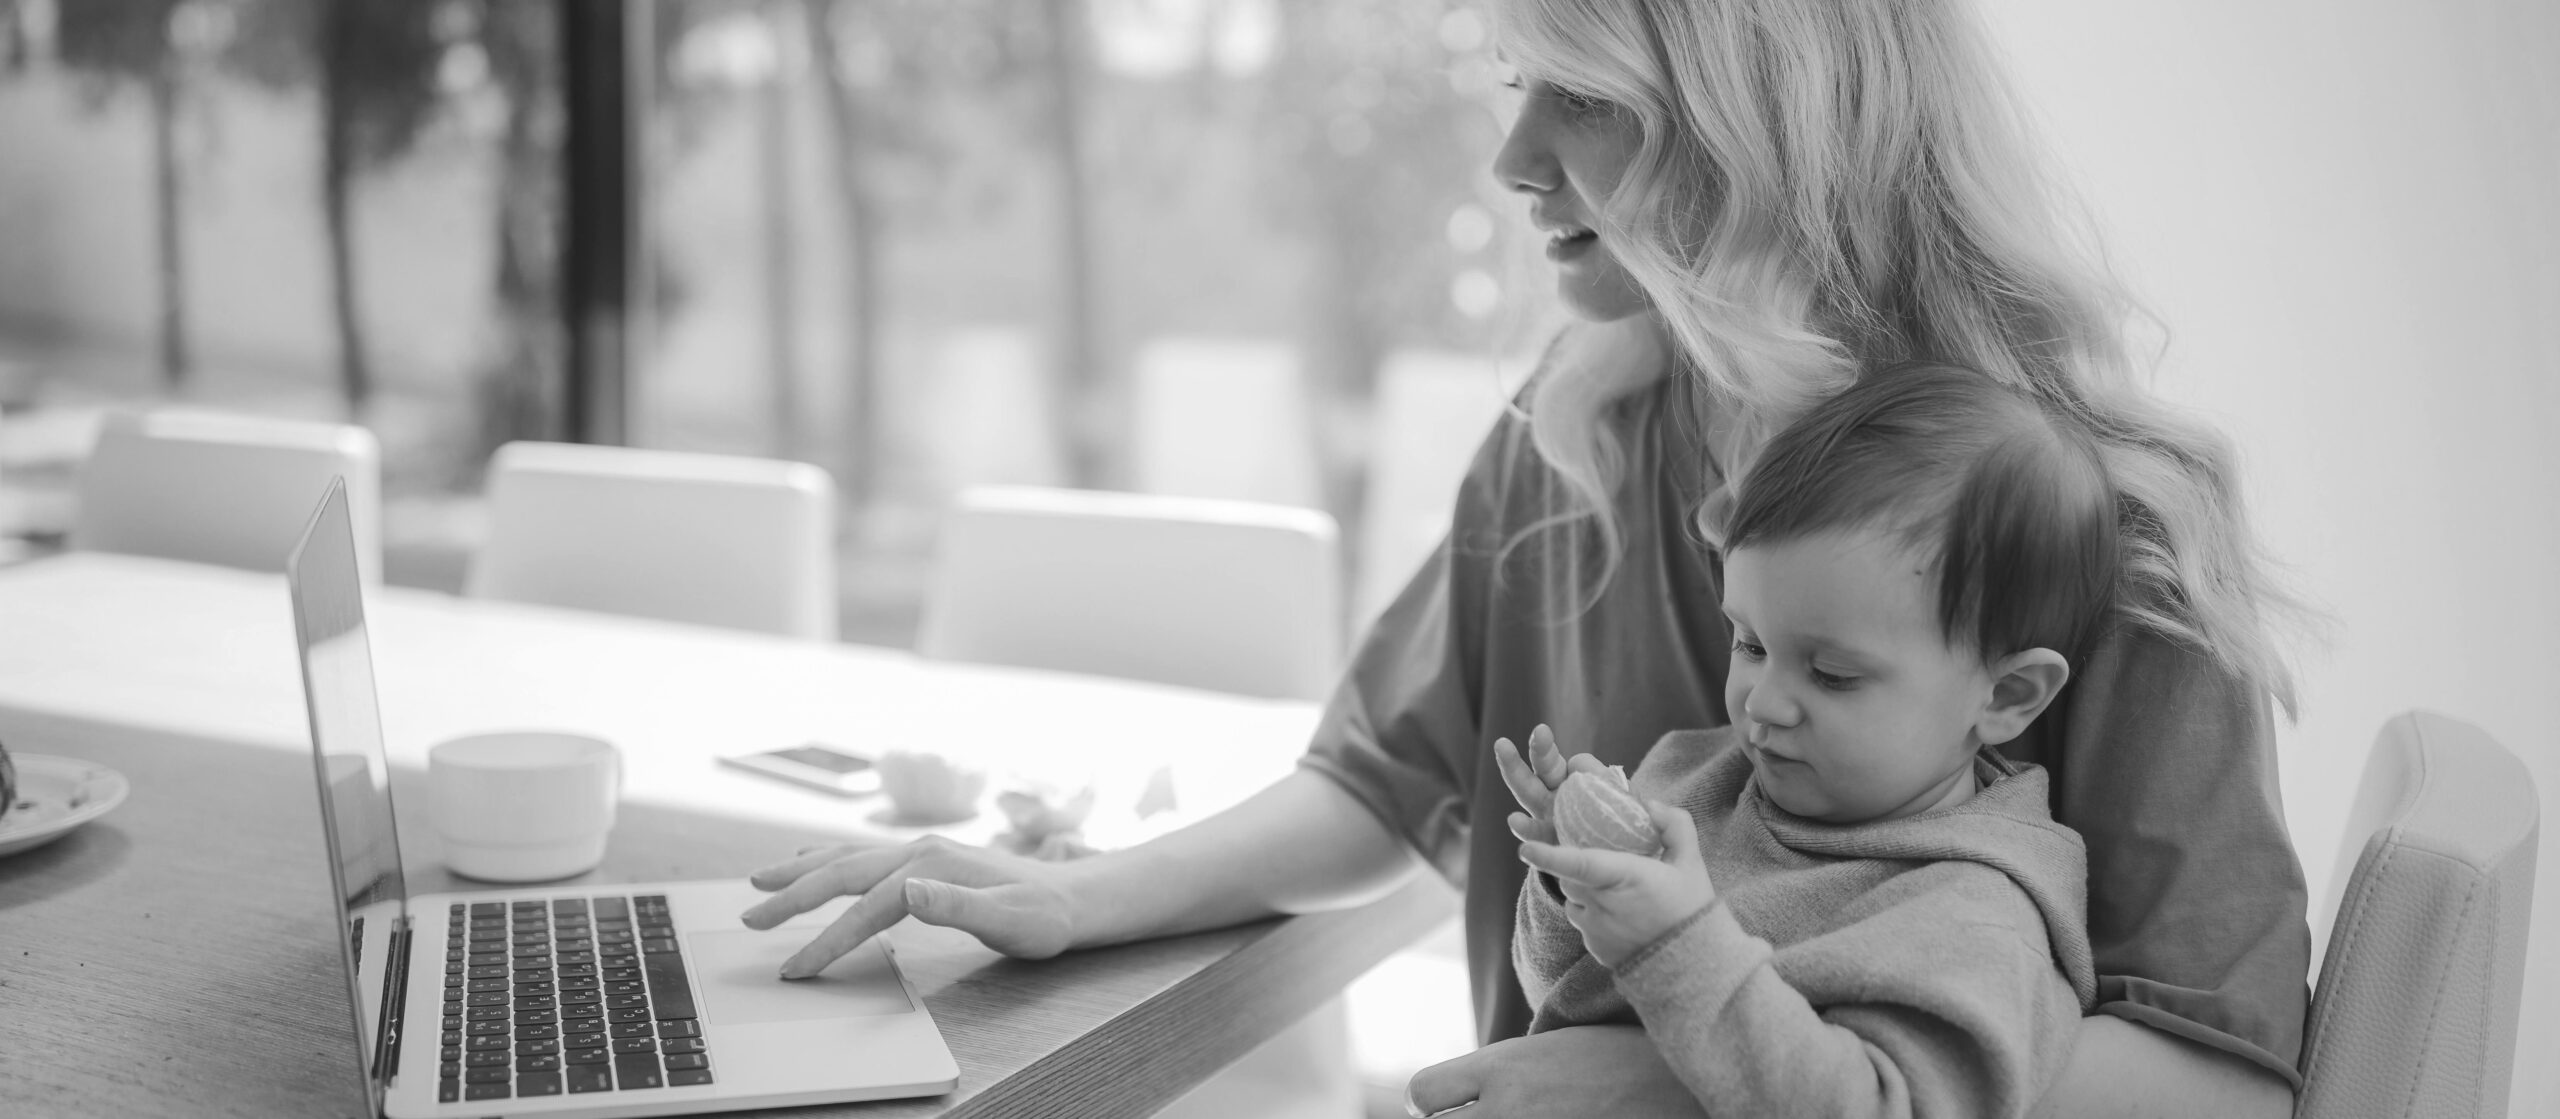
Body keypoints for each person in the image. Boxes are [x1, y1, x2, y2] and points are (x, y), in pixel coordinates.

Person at [738, 0, 2315, 1113]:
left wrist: (1698, 1078)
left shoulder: (2101, 526)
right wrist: (1081, 895)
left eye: (1589, 97)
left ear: (1770, 126)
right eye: (1517, 80)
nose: (1512, 161)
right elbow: (1381, 780)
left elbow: (2217, 1077)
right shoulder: (1576, 430)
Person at [1500, 362, 2114, 1118]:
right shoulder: (1693, 780)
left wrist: (1678, 943)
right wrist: (1577, 885)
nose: (1762, 702)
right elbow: (1560, 1002)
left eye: (1831, 673)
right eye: (1750, 643)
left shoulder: (1974, 913)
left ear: (2007, 694)